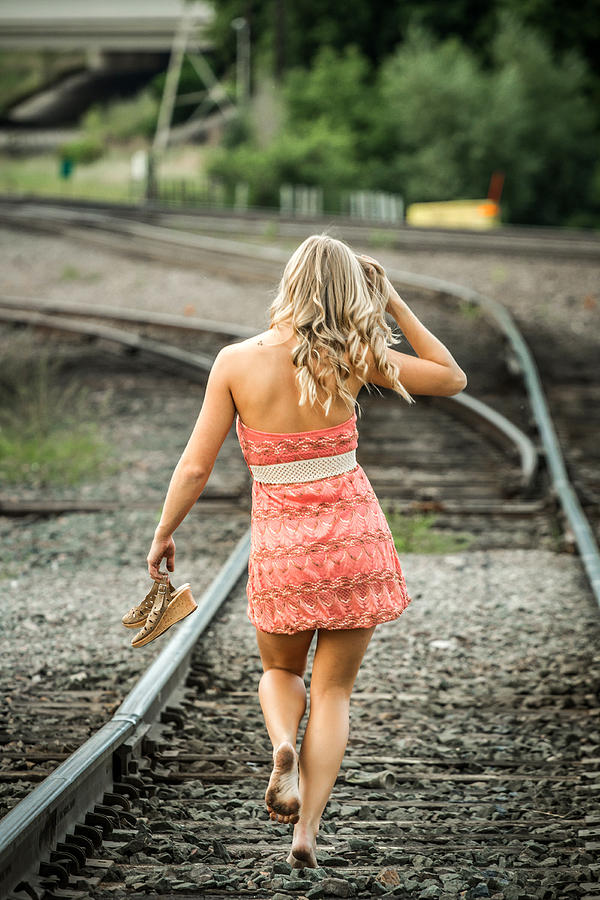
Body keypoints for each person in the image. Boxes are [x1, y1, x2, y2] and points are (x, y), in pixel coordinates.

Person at [145, 234, 467, 868]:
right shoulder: (353, 356)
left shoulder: (234, 362)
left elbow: (193, 467)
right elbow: (451, 377)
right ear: (350, 292)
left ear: (289, 283)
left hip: (284, 550)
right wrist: (393, 299)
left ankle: (280, 747)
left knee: (280, 674)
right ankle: (306, 835)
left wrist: (163, 532)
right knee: (335, 693)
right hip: (354, 543)